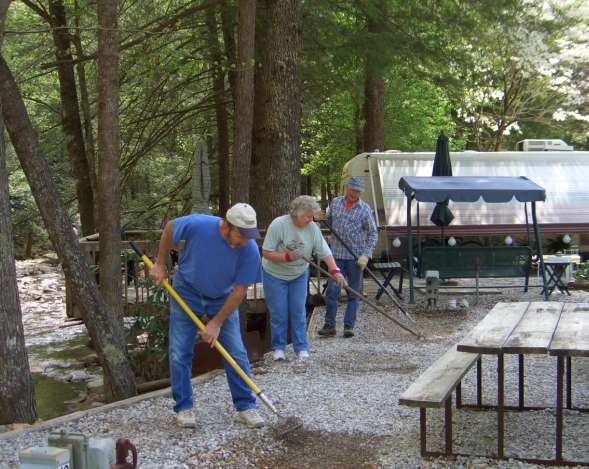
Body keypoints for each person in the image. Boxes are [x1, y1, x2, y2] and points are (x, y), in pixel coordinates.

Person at [149, 203, 265, 429]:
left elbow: (240, 291)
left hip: (222, 298)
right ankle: (184, 407)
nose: (244, 241)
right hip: (187, 290)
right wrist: (160, 263)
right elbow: (170, 228)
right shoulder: (200, 225)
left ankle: (245, 406)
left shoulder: (249, 250)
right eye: (241, 235)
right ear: (227, 226)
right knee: (179, 350)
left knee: (236, 352)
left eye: (249, 236)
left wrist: (216, 323)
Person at [262, 195, 347, 361]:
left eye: (312, 216)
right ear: (296, 214)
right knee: (279, 312)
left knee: (298, 311)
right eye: (307, 216)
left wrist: (335, 270)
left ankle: (301, 348)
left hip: (298, 274)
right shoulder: (279, 225)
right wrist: (286, 257)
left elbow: (324, 251)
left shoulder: (312, 228)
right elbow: (266, 252)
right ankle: (278, 348)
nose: (311, 219)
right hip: (274, 274)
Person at [318, 176, 378, 338]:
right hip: (336, 255)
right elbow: (326, 223)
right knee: (332, 290)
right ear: (346, 188)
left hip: (355, 258)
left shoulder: (365, 209)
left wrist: (366, 254)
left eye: (357, 191)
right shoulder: (336, 203)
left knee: (353, 293)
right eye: (352, 190)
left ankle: (348, 326)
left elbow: (373, 233)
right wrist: (320, 219)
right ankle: (330, 325)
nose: (354, 194)